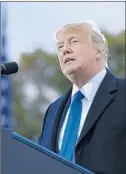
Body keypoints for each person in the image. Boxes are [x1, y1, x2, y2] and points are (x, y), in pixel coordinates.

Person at [38, 20, 126, 174]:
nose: (65, 50)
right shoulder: (52, 110)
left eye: (73, 41)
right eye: (60, 47)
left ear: (99, 51)